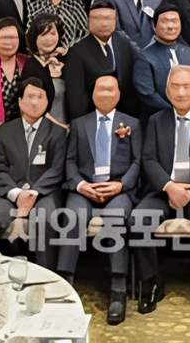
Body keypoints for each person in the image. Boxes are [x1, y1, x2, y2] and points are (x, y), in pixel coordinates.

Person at [133, 65, 190, 316]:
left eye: (187, 86)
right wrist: (169, 186)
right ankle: (151, 282)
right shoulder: (156, 120)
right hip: (163, 190)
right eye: (175, 86)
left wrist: (188, 190)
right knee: (138, 220)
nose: (181, 92)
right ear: (166, 91)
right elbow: (148, 159)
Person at [58, 76, 141, 326]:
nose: (105, 93)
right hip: (85, 188)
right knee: (72, 216)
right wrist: (81, 185)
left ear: (118, 94)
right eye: (100, 89)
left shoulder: (132, 124)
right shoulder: (79, 124)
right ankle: (64, 283)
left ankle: (118, 288)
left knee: (114, 219)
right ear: (93, 94)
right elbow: (70, 161)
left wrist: (121, 184)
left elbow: (138, 161)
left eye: (110, 89)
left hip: (118, 190)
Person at [0, 72, 67, 268]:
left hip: (44, 193)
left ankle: (46, 273)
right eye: (30, 96)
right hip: (9, 191)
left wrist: (33, 193)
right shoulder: (4, 131)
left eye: (40, 97)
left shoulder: (57, 133)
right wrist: (17, 194)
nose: (35, 102)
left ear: (47, 102)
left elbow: (56, 170)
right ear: (19, 101)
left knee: (45, 220)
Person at [62, 1, 139, 119]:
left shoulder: (125, 43)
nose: (103, 24)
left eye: (108, 19)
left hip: (125, 117)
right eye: (98, 19)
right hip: (93, 117)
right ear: (88, 21)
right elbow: (76, 99)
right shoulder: (77, 52)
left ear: (115, 20)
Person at [133, 5, 190, 116]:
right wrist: (175, 111)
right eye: (165, 21)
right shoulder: (144, 56)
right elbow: (147, 94)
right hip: (160, 116)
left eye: (174, 21)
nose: (170, 26)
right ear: (154, 25)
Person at [25, 13, 69, 123]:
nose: (49, 39)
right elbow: (33, 106)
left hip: (69, 124)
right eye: (43, 34)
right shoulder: (31, 67)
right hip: (45, 126)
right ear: (35, 37)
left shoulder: (65, 60)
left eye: (53, 33)